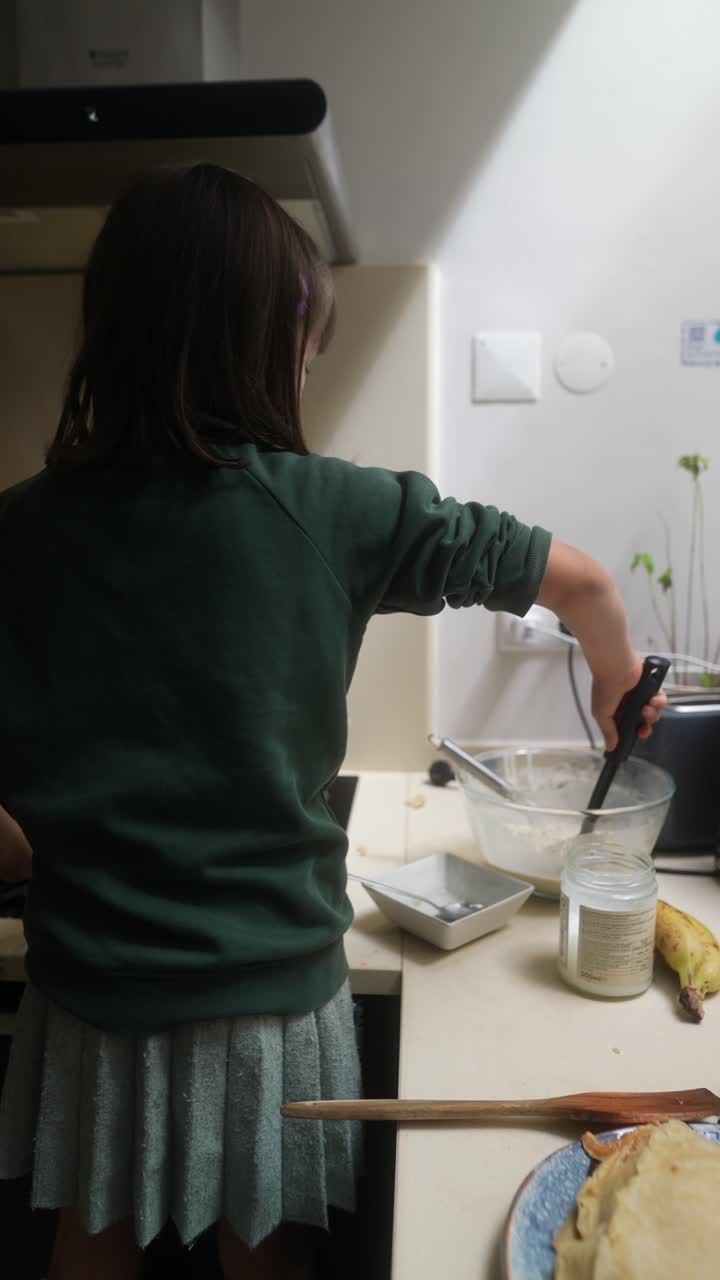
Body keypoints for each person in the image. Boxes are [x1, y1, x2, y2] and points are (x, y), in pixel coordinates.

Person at [0, 163, 665, 1280]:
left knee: (91, 1240)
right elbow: (585, 582)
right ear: (274, 341)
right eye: (311, 344)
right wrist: (615, 677)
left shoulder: (19, 530)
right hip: (266, 994)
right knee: (267, 1256)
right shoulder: (336, 508)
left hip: (91, 986)